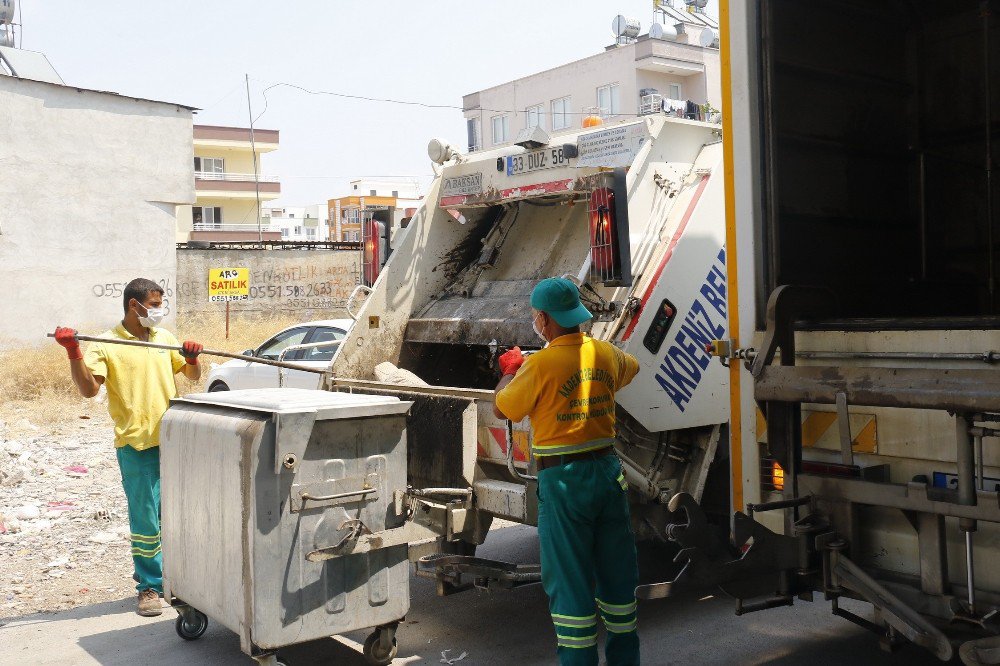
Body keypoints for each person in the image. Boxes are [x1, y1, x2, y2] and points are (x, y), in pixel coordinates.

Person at [493, 277, 641, 666]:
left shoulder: (539, 365)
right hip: (609, 473)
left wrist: (510, 369)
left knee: (570, 582)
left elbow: (503, 408)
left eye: (536, 317)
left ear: (544, 321)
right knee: (617, 577)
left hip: (564, 482)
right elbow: (633, 367)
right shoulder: (606, 353)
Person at [53, 277, 203, 617]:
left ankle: (176, 579)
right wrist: (74, 353)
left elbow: (192, 377)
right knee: (146, 520)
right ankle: (149, 587)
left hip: (173, 441)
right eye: (153, 304)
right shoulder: (105, 344)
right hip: (136, 445)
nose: (159, 310)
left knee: (175, 516)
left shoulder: (164, 339)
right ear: (134, 306)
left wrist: (193, 359)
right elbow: (89, 390)